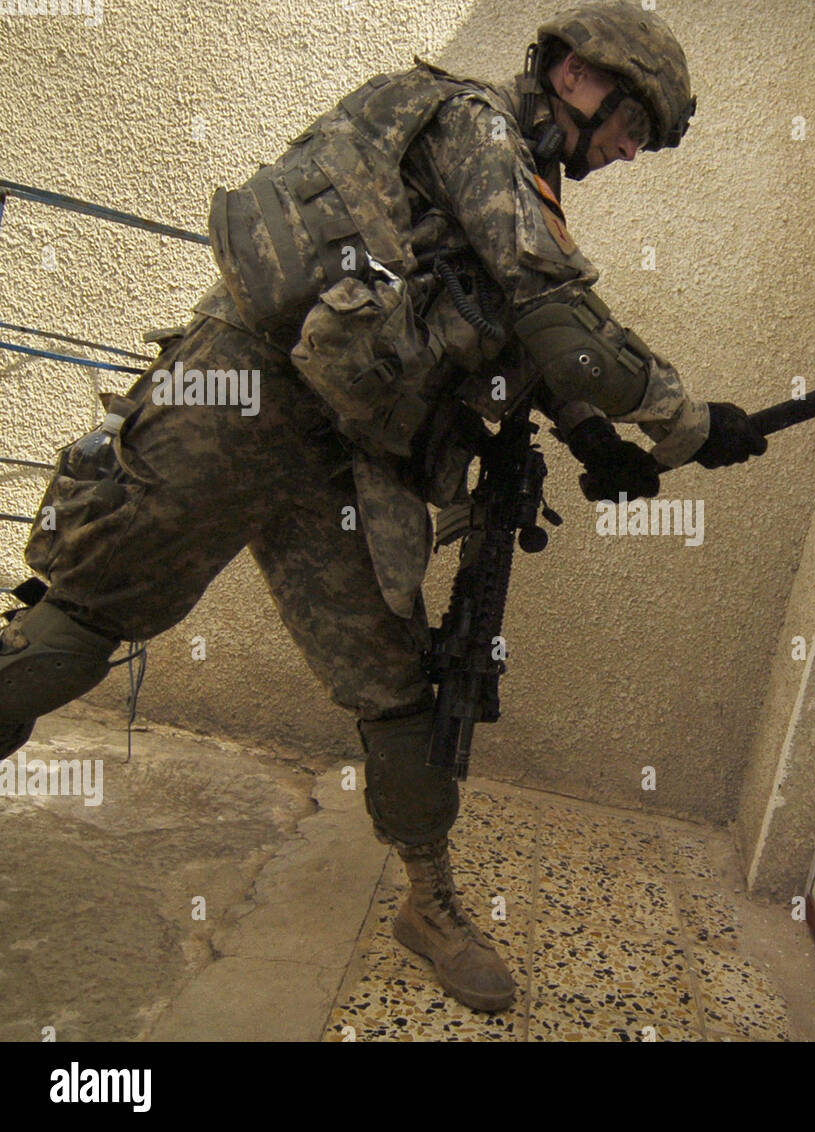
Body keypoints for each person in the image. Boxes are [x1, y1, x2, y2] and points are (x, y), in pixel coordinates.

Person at [0, 1, 765, 1013]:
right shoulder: (472, 129)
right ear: (579, 76)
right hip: (229, 406)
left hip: (344, 464)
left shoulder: (521, 188)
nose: (629, 151)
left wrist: (591, 435)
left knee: (397, 684)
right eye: (633, 126)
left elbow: (525, 340)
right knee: (83, 617)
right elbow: (563, 321)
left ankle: (428, 903)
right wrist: (685, 421)